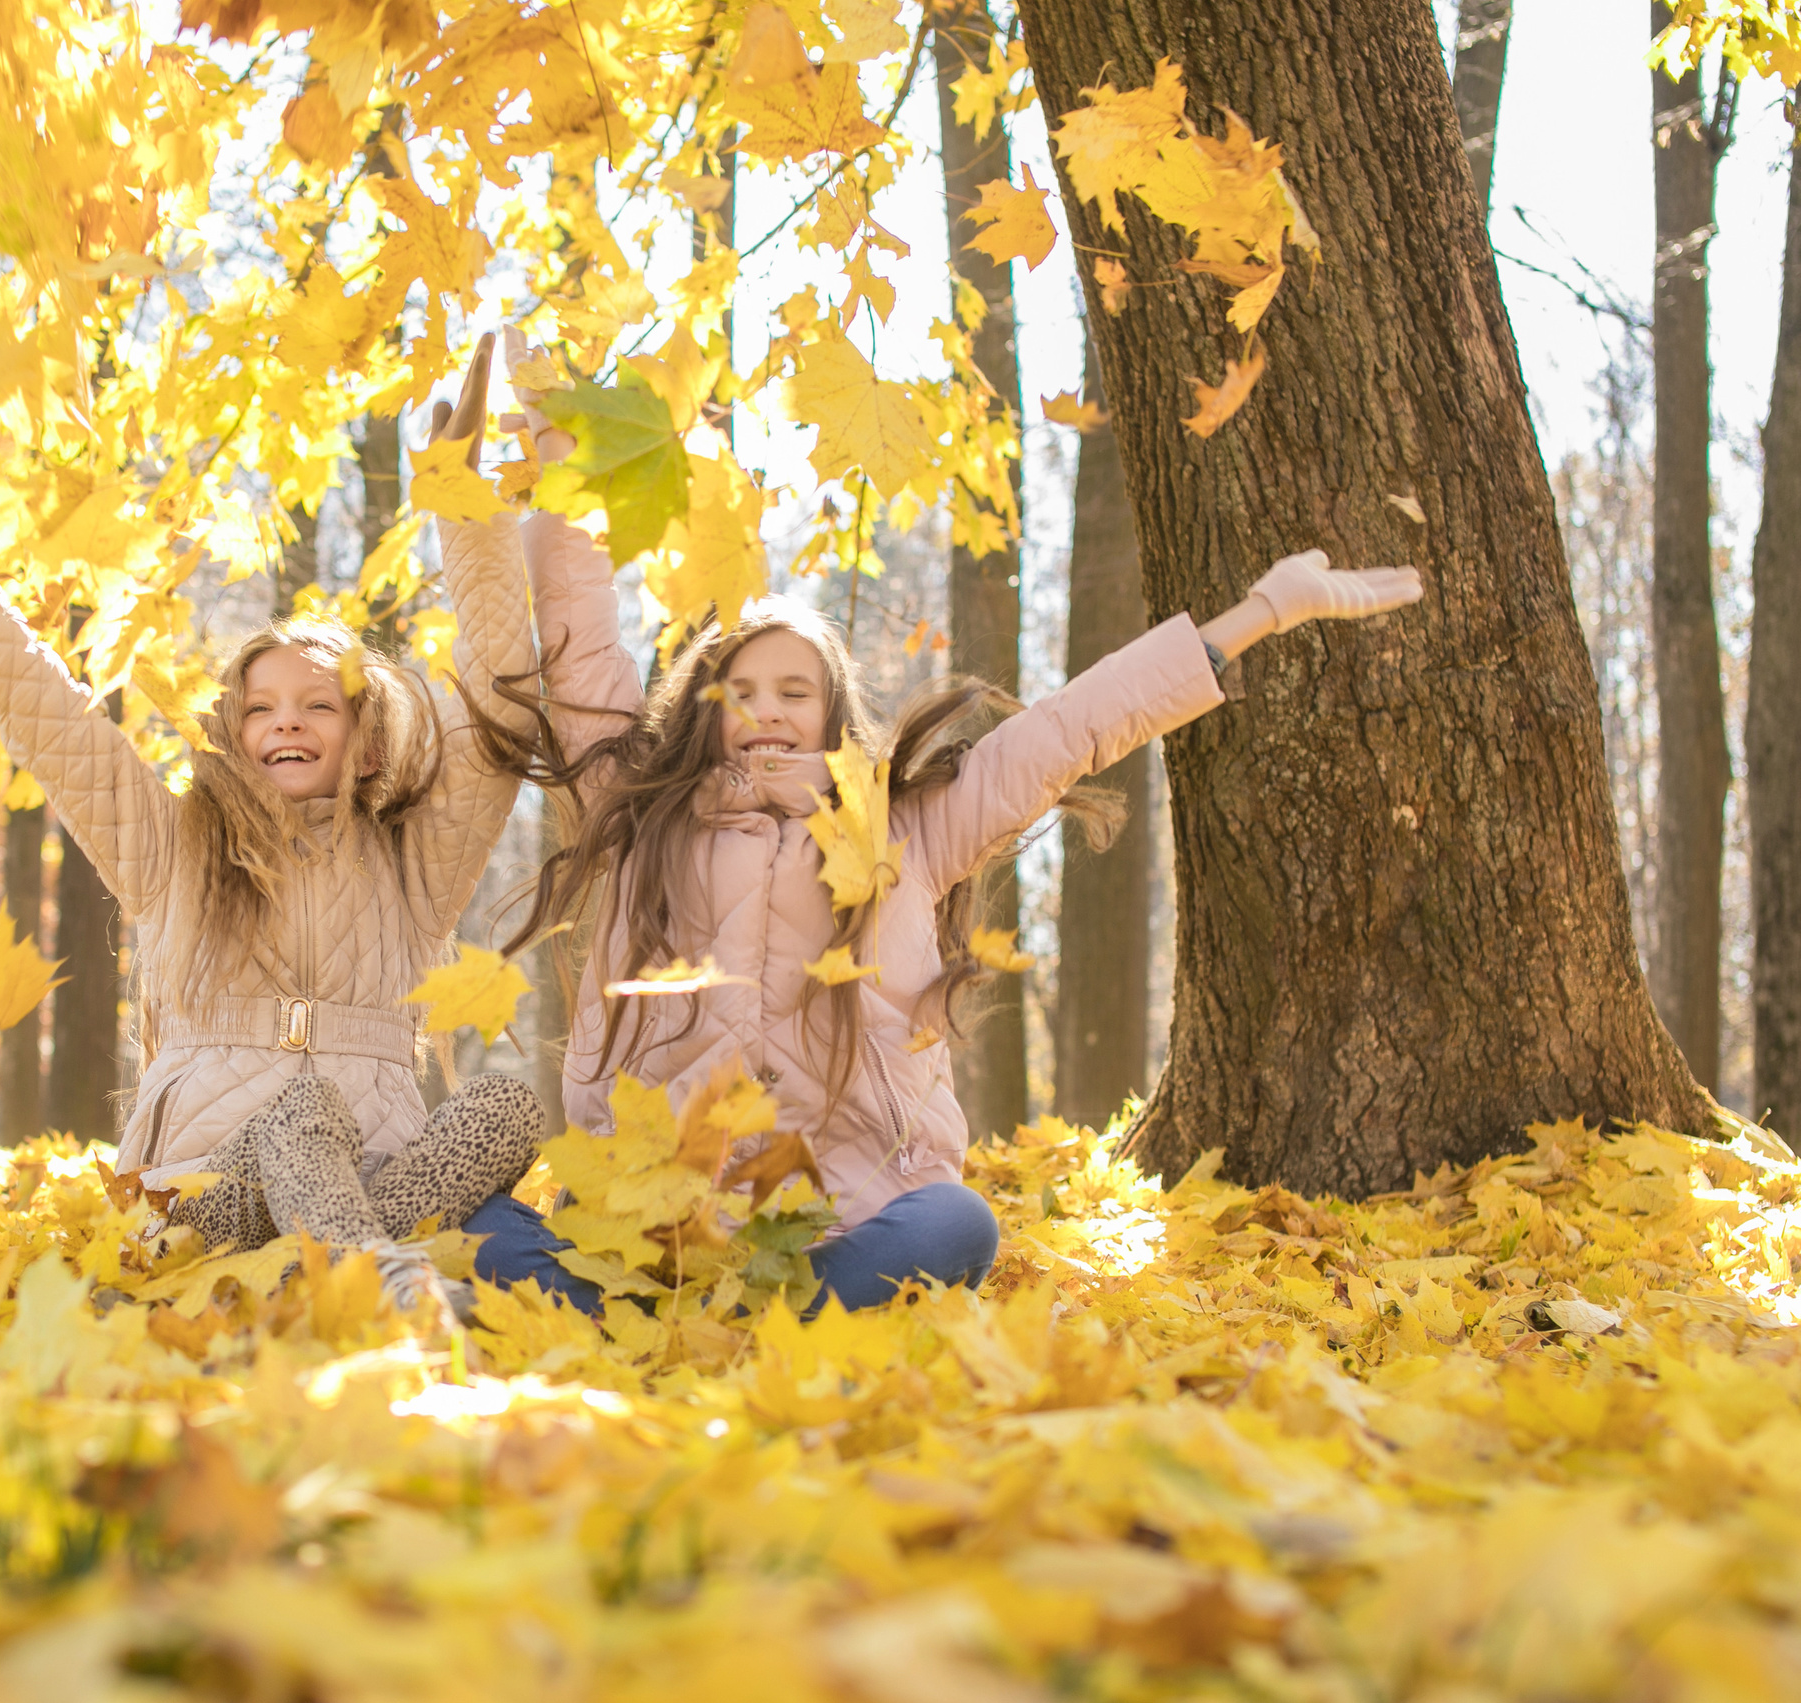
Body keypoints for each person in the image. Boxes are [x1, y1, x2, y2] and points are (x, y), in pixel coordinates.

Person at [466, 350, 1424, 1314]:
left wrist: (1260, 614)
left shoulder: (908, 825)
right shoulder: (644, 813)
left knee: (958, 1223)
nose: (766, 710)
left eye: (794, 690)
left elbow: (1069, 731)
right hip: (660, 1215)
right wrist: (566, 476)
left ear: (832, 712)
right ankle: (682, 1310)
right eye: (740, 690)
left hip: (841, 1211)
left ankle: (745, 1316)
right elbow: (583, 654)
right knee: (477, 1223)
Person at [0, 338, 548, 1314]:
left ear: (368, 744)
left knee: (505, 1106)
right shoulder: (172, 850)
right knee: (304, 1111)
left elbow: (501, 712)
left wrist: (466, 508)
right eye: (260, 708)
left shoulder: (412, 869)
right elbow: (32, 692)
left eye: (317, 706)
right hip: (204, 1195)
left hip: (375, 1186)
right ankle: (373, 1294)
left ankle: (343, 1275)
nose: (286, 722)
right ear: (233, 736)